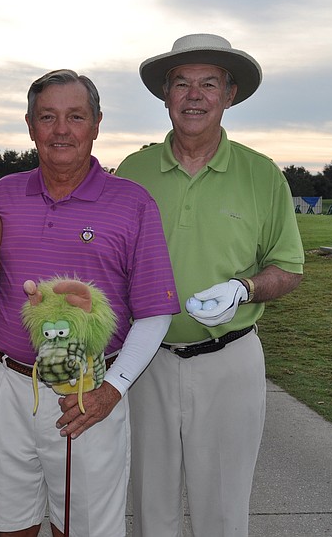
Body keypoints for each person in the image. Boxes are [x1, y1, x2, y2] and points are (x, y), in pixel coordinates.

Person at [115, 33, 305, 537]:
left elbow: (287, 268)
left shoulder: (262, 175)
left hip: (229, 360)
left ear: (230, 95)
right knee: (149, 504)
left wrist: (244, 288)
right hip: (146, 362)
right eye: (182, 83)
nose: (194, 95)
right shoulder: (133, 173)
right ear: (165, 95)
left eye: (208, 84)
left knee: (221, 508)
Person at [0, 69, 180, 537]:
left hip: (87, 392)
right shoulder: (1, 195)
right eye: (47, 117)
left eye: (75, 116)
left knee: (80, 528)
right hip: (6, 386)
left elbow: (155, 312)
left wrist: (110, 391)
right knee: (12, 524)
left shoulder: (132, 202)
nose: (61, 130)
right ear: (30, 125)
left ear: (96, 123)